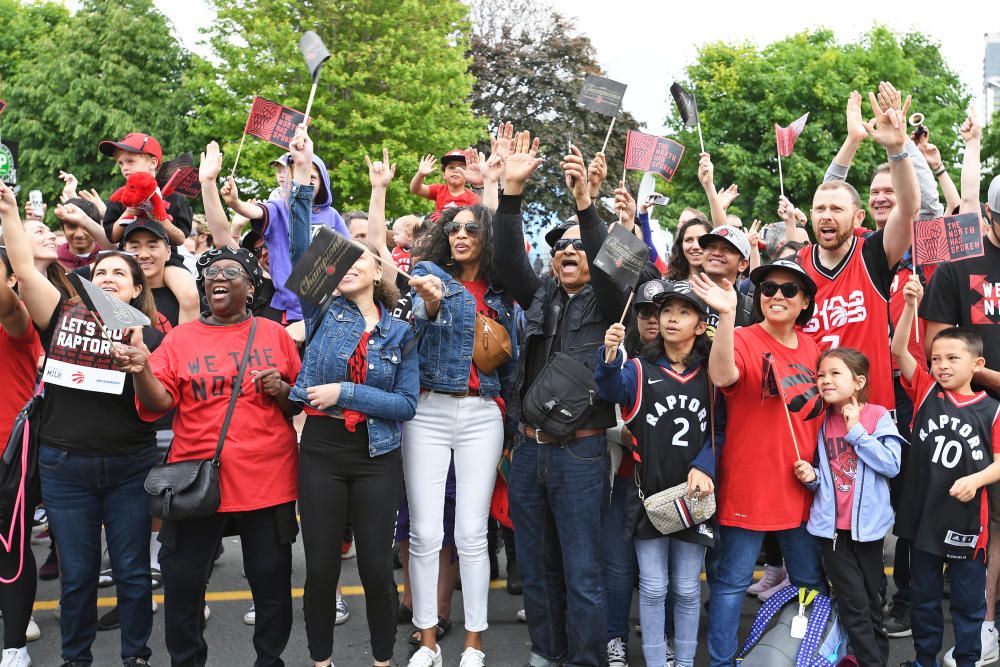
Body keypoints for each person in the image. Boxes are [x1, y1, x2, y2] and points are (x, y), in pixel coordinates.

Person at [2, 181, 165, 667]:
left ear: (138, 289)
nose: (110, 276)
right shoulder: (60, 314)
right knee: (76, 575)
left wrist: (143, 364)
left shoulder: (153, 334)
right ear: (88, 282)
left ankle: (135, 655)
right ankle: (76, 659)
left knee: (134, 573)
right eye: (102, 270)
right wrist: (9, 212)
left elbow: (159, 405)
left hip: (129, 466)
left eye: (121, 272)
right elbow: (25, 269)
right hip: (64, 466)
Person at [116, 246, 301, 667]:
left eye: (230, 272)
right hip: (194, 482)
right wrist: (143, 368)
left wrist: (284, 391)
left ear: (250, 287)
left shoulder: (274, 334)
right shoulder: (180, 339)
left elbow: (297, 404)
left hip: (266, 481)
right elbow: (157, 403)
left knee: (271, 583)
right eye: (210, 273)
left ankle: (269, 660)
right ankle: (187, 661)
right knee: (182, 585)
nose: (217, 277)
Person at [282, 133, 418, 667]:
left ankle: (383, 660)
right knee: (319, 569)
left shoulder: (399, 329)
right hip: (321, 449)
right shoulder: (321, 312)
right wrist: (300, 172)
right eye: (342, 260)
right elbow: (299, 243)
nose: (349, 265)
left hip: (377, 456)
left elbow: (404, 405)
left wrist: (347, 392)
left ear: (377, 272)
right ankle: (322, 661)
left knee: (377, 573)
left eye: (361, 259)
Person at [494, 132, 628, 667]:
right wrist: (510, 194)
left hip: (582, 453)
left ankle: (586, 659)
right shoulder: (542, 294)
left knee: (583, 569)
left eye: (577, 244)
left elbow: (615, 261)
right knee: (538, 563)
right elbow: (506, 260)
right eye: (559, 247)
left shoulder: (614, 300)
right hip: (529, 452)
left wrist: (584, 205)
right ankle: (546, 653)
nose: (567, 251)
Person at [689, 259, 827, 667]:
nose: (777, 296)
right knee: (731, 584)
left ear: (804, 302)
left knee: (810, 584)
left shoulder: (812, 347)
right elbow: (723, 375)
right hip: (748, 487)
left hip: (799, 490)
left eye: (789, 290)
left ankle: (806, 654)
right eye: (769, 289)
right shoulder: (744, 337)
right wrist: (728, 316)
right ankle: (722, 663)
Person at [403, 192, 514, 666]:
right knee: (425, 533)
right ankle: (427, 642)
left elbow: (512, 362)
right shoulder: (429, 280)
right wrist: (428, 306)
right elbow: (409, 335)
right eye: (454, 229)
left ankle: (474, 643)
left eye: (472, 228)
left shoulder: (504, 291)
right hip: (427, 410)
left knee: (471, 533)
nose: (462, 235)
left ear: (486, 238)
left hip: (482, 412)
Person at [596, 280, 719, 667]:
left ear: (701, 325)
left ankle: (683, 662)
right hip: (647, 497)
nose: (671, 319)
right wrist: (610, 355)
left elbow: (722, 430)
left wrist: (705, 465)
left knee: (685, 588)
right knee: (651, 587)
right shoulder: (638, 368)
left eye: (684, 312)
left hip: (693, 497)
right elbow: (610, 388)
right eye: (667, 311)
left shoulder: (712, 372)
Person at [919, 138, 1000, 667]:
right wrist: (987, 377)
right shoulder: (958, 264)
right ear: (990, 213)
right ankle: (986, 626)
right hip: (972, 416)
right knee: (987, 529)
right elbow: (934, 348)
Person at [892, 275, 1000, 667]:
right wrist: (909, 307)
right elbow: (898, 348)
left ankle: (968, 660)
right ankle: (924, 660)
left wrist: (975, 479)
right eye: (936, 358)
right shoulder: (923, 391)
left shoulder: (993, 410)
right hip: (922, 519)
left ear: (978, 364)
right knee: (922, 599)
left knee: (969, 604)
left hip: (968, 525)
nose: (941, 365)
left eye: (952, 358)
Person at [798, 81, 918, 416]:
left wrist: (897, 148)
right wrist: (852, 141)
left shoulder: (872, 254)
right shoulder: (797, 266)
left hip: (873, 417)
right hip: (815, 423)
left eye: (837, 211)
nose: (827, 216)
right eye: (819, 210)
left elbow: (908, 209)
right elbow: (830, 191)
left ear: (858, 216)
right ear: (809, 217)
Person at [794, 348, 904, 667]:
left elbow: (892, 464)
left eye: (834, 373)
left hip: (868, 531)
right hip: (832, 531)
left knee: (871, 602)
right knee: (853, 603)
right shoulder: (821, 420)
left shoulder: (877, 415)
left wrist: (857, 432)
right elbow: (826, 478)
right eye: (820, 375)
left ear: (858, 382)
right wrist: (810, 476)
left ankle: (873, 659)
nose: (825, 380)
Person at [220, 151, 349, 323]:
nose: (306, 181)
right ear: (289, 181)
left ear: (323, 182)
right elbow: (255, 210)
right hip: (288, 309)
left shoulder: (332, 215)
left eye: (313, 177)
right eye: (300, 176)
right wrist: (235, 202)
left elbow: (348, 252)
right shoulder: (278, 209)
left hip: (326, 306)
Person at [98, 132, 199, 324]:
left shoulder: (174, 197)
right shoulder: (119, 196)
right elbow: (112, 236)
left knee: (189, 294)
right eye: (120, 163)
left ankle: (184, 349)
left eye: (130, 161)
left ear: (153, 163)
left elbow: (180, 238)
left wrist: (160, 218)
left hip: (166, 261)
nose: (125, 167)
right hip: (127, 259)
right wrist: (129, 210)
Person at [0, 244, 45, 667]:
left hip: (8, 457)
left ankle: (14, 645)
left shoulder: (18, 321)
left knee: (9, 549)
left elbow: (6, 303)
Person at [410, 151, 480, 222]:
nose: (456, 170)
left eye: (461, 168)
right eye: (451, 167)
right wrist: (420, 174)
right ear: (444, 174)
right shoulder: (439, 190)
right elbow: (415, 189)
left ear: (467, 175)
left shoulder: (472, 197)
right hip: (438, 230)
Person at [665, 216, 711, 281]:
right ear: (681, 245)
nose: (695, 246)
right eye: (689, 240)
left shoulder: (725, 286)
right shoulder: (668, 286)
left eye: (701, 239)